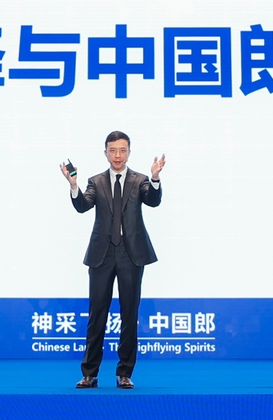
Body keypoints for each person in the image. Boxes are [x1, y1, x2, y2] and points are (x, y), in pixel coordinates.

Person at [61, 130, 165, 389]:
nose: (118, 155)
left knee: (129, 313)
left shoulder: (140, 180)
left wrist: (155, 178)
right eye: (113, 150)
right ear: (105, 152)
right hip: (102, 255)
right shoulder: (95, 181)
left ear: (129, 152)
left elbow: (153, 201)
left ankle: (124, 373)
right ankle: (89, 373)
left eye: (122, 150)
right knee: (97, 313)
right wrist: (73, 185)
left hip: (131, 254)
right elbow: (83, 206)